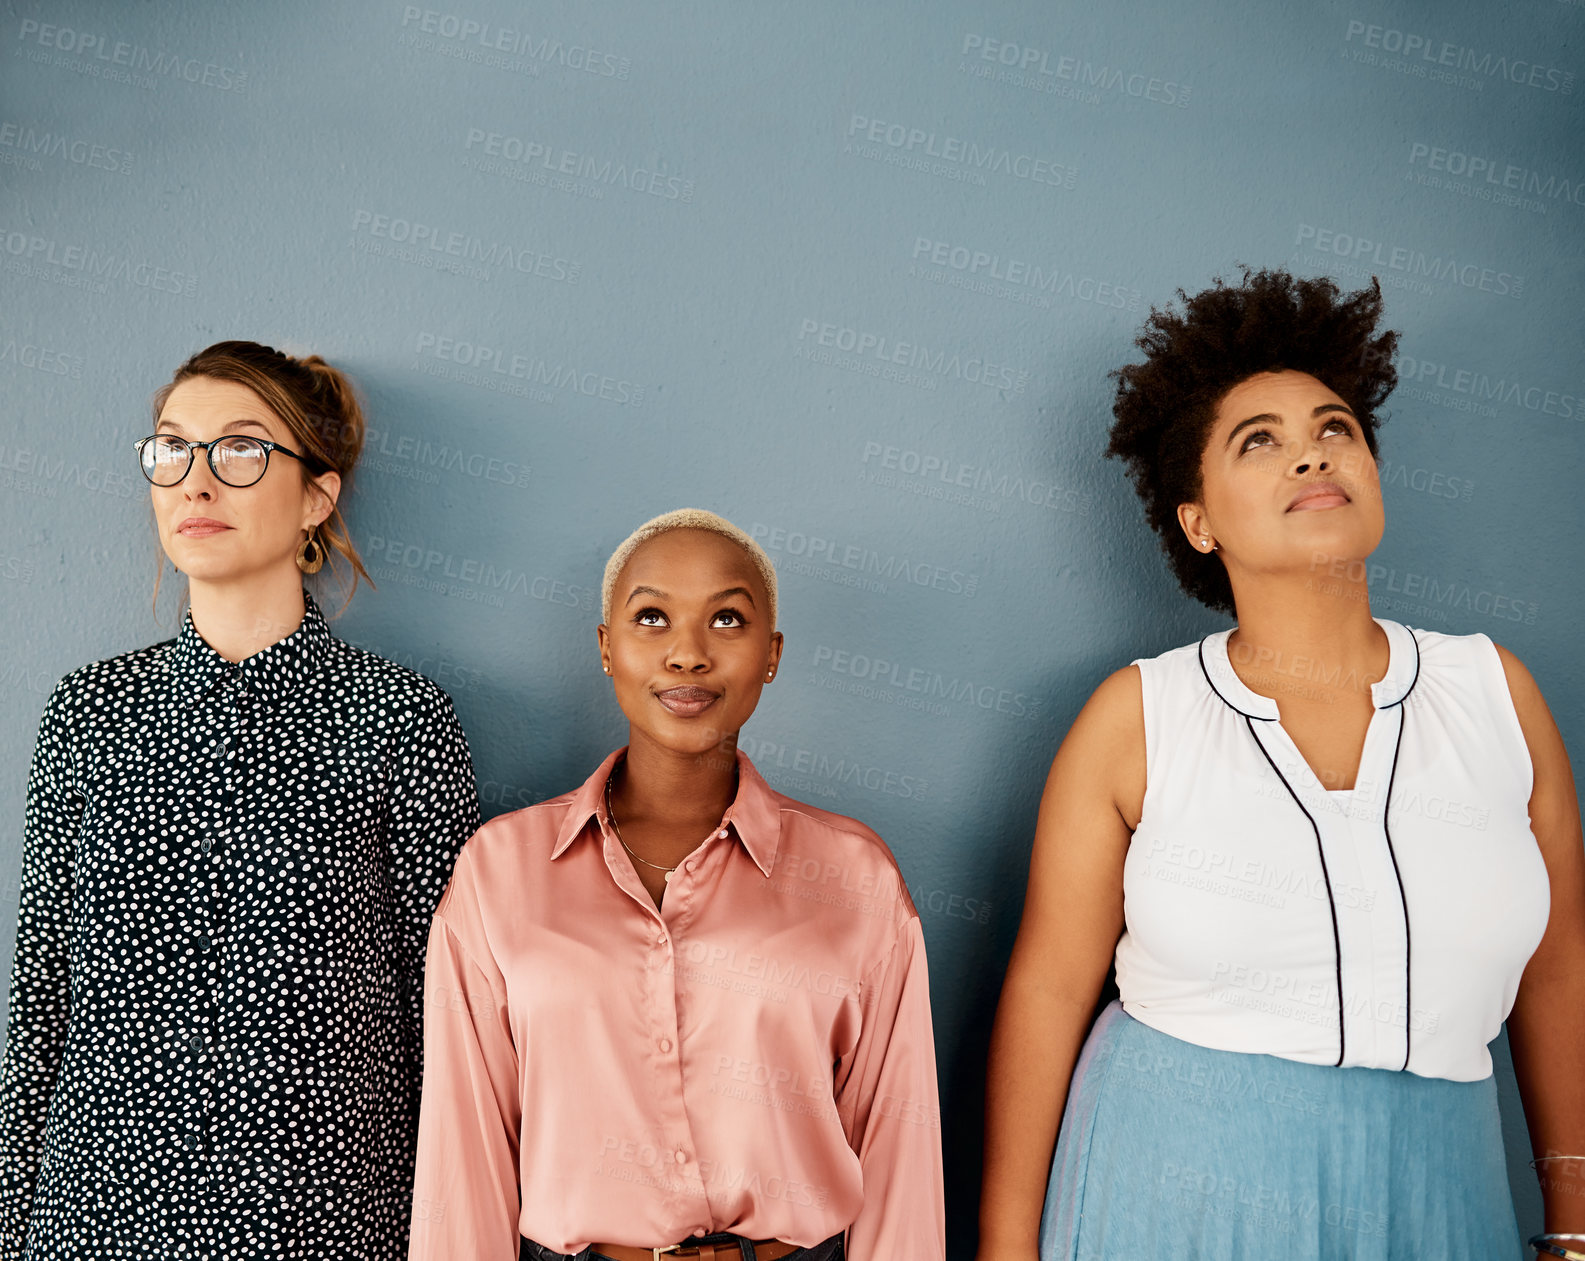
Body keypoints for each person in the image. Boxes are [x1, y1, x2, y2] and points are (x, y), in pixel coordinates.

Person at [977, 270, 1585, 1259]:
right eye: (1257, 439)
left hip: (1440, 1192)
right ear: (1199, 521)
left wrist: (1574, 1227)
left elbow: (1559, 972)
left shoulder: (1494, 694)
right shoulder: (1139, 718)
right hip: (1176, 1185)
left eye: (1334, 426)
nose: (1310, 449)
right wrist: (1005, 1249)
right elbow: (1047, 991)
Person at [0, 341, 481, 1260]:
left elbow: (446, 1026)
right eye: (172, 449)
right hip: (96, 1220)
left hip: (326, 1219)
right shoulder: (88, 714)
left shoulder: (400, 719)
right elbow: (41, 1003)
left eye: (241, 451)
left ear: (317, 495)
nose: (195, 482)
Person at [408, 508, 944, 1261]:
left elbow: (898, 1148)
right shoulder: (499, 871)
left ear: (771, 654)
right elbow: (463, 1148)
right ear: (605, 646)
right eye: (652, 617)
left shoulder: (855, 877)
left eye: (727, 619)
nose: (687, 653)